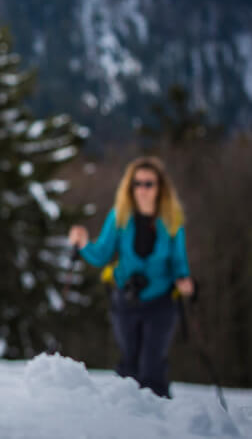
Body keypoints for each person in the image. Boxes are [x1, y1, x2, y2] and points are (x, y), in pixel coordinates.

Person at [68, 156, 194, 398]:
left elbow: (179, 261)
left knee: (152, 366)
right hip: (125, 300)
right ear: (130, 187)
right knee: (129, 365)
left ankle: (160, 425)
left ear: (160, 188)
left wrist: (184, 280)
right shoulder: (120, 216)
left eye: (149, 184)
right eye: (138, 184)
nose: (143, 189)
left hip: (161, 302)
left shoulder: (172, 220)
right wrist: (83, 243)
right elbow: (101, 255)